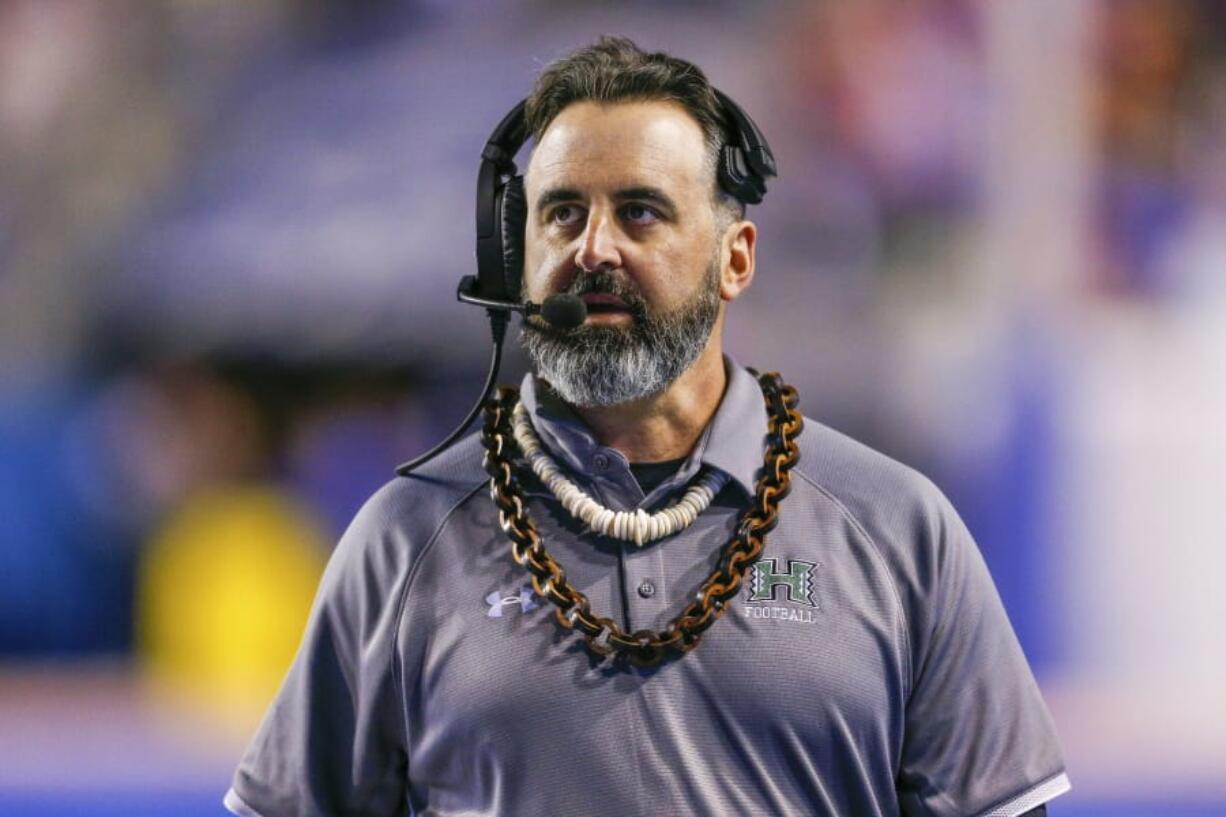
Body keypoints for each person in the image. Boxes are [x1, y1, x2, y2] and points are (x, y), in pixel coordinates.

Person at [224, 37, 1070, 817]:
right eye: (560, 213)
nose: (593, 247)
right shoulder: (403, 542)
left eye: (639, 212)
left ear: (735, 256)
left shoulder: (898, 531)